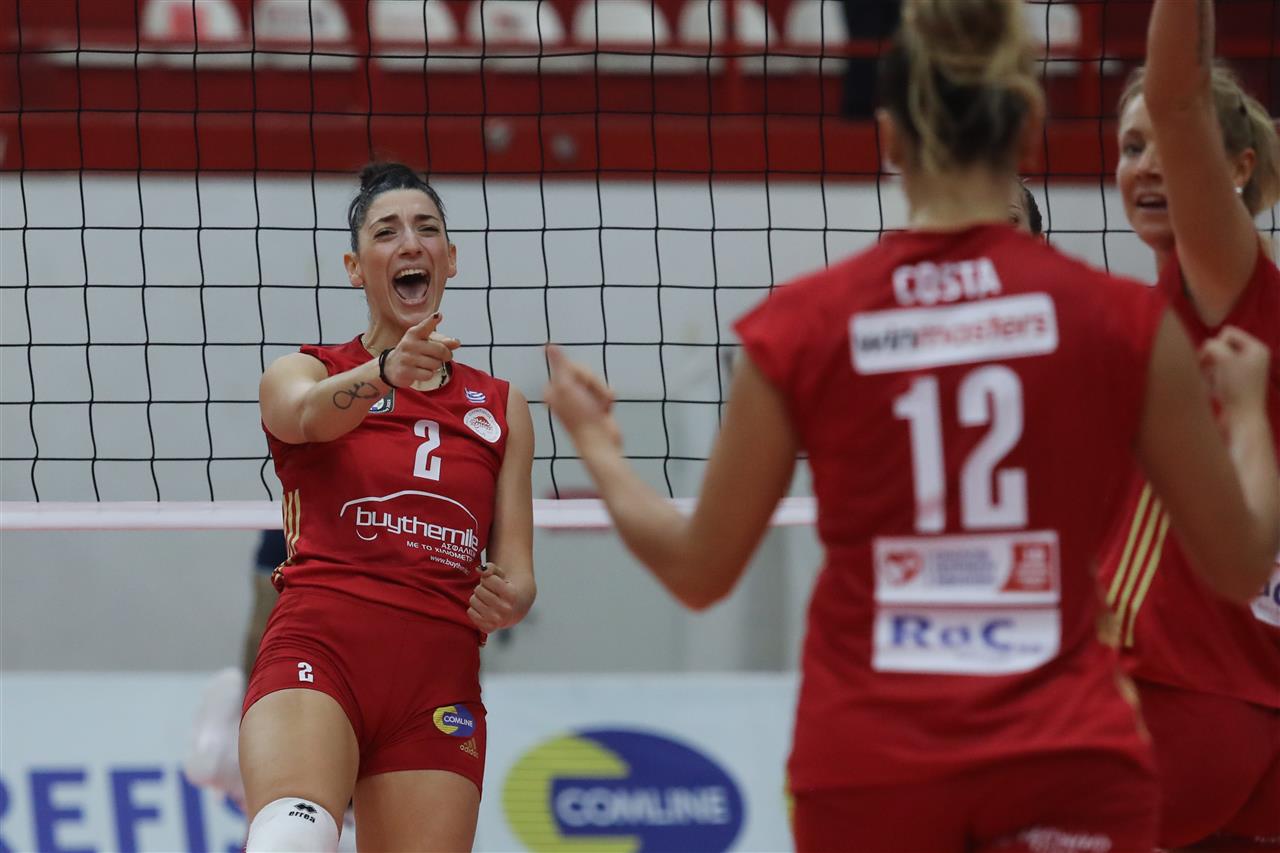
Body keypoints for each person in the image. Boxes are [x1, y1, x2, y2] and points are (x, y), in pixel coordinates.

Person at [544, 0, 1278, 850]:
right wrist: (1249, 415)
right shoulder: (1121, 322)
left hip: (872, 757)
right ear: (1028, 128)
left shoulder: (803, 324)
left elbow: (698, 569)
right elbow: (1240, 561)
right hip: (1064, 747)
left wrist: (599, 449)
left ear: (890, 137)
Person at [239, 162, 536, 853]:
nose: (410, 242)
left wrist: (512, 598)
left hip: (438, 679)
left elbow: (518, 571)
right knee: (291, 839)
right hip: (321, 648)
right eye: (386, 232)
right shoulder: (306, 370)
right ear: (354, 268)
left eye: (426, 229)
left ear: (450, 259)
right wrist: (381, 374)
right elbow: (301, 415)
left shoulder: (501, 407)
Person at [1097, 0, 1280, 847]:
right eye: (1129, 147)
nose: (1148, 165)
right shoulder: (1174, 310)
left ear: (1236, 169)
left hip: (1174, 694)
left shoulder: (1221, 278)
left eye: (1170, 148)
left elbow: (1177, 96)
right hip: (1241, 698)